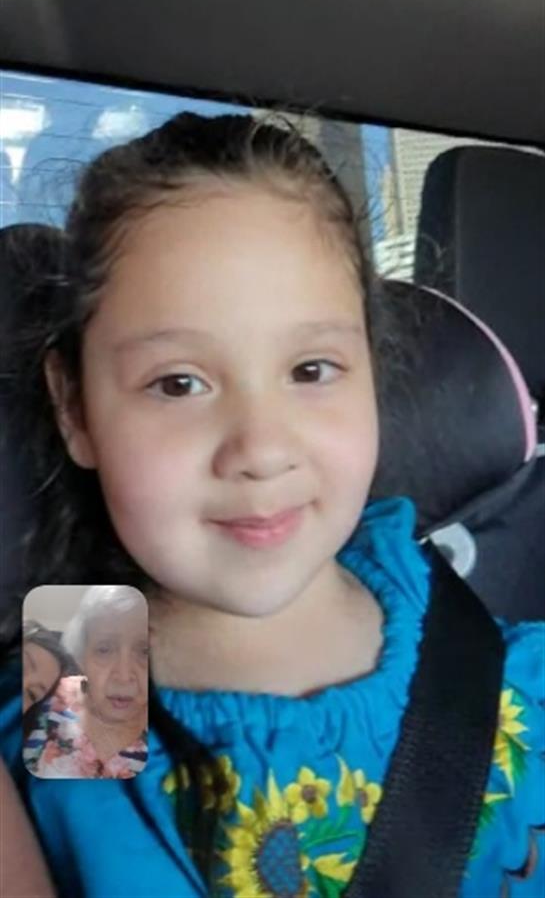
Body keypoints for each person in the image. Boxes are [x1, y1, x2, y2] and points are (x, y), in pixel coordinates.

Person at [0, 111, 543, 897]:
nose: (258, 447)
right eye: (177, 382)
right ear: (75, 408)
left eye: (312, 369)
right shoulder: (85, 663)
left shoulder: (479, 643)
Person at [23, 587, 149, 779]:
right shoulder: (48, 693)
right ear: (82, 659)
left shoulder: (185, 720)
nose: (124, 676)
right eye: (105, 649)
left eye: (144, 652)